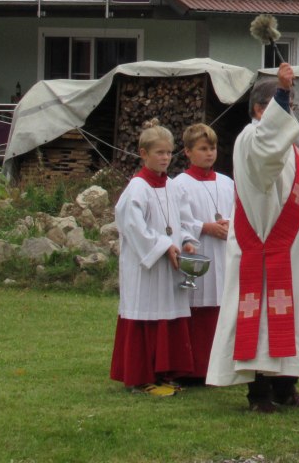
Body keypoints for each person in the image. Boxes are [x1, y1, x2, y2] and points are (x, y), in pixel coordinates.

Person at [207, 62, 299, 412]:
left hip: (288, 250)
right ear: (262, 109)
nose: (290, 114)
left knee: (290, 319)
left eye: (290, 107)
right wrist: (281, 89)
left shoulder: (287, 148)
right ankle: (259, 394)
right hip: (262, 249)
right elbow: (265, 161)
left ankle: (285, 388)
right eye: (285, 107)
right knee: (260, 322)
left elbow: (284, 189)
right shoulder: (252, 139)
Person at [110, 121, 198, 396]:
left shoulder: (172, 187)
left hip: (170, 266)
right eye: (159, 152)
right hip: (146, 268)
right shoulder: (136, 189)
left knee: (168, 318)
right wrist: (163, 246)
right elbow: (134, 228)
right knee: (146, 318)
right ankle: (141, 375)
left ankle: (165, 373)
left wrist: (186, 241)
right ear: (143, 153)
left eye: (169, 153)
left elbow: (184, 220)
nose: (164, 158)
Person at [169, 122, 235, 383]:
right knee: (198, 310)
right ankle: (195, 370)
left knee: (223, 307)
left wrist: (230, 224)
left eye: (213, 148)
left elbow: (238, 211)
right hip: (199, 251)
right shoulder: (179, 185)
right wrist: (204, 227)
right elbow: (176, 221)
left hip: (225, 252)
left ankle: (223, 367)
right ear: (187, 151)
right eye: (203, 148)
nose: (209, 154)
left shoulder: (227, 182)